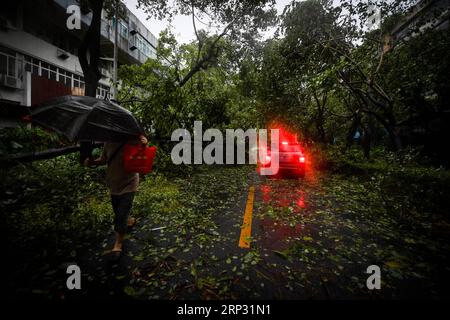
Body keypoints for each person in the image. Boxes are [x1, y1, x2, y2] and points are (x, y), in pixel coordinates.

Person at [84, 135, 148, 260]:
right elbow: (103, 159)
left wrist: (144, 145)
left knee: (122, 212)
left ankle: (118, 243)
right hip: (114, 182)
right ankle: (129, 220)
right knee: (117, 209)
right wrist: (92, 162)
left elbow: (143, 157)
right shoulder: (108, 142)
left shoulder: (133, 140)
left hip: (130, 182)